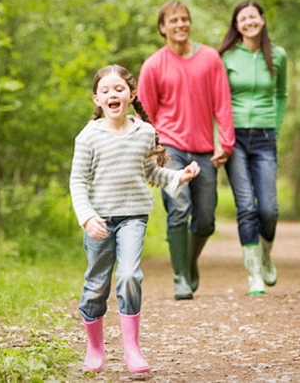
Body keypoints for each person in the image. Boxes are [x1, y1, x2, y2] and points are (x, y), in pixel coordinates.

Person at [70, 64, 201, 374]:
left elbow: (149, 171)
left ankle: (132, 349)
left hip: (133, 216)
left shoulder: (144, 132)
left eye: (118, 89)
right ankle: (94, 348)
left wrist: (178, 177)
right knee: (96, 286)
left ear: (130, 95)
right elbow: (77, 181)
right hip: (99, 220)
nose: (112, 94)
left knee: (129, 276)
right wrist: (87, 218)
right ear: (96, 99)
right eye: (105, 90)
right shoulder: (88, 137)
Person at [138, 0, 235, 300]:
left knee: (205, 217)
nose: (181, 24)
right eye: (174, 20)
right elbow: (145, 114)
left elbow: (222, 101)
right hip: (170, 149)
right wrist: (151, 154)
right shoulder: (154, 65)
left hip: (205, 149)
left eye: (185, 19)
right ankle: (180, 276)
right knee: (179, 209)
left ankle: (188, 262)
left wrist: (226, 143)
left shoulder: (209, 58)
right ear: (162, 27)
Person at [217, 0, 288, 295]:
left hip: (265, 137)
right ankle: (254, 274)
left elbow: (281, 94)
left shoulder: (279, 55)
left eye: (253, 17)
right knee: (246, 206)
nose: (248, 22)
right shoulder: (227, 57)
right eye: (242, 19)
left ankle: (265, 255)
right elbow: (218, 99)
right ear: (236, 25)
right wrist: (219, 137)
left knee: (269, 209)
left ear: (262, 19)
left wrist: (275, 126)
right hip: (234, 139)